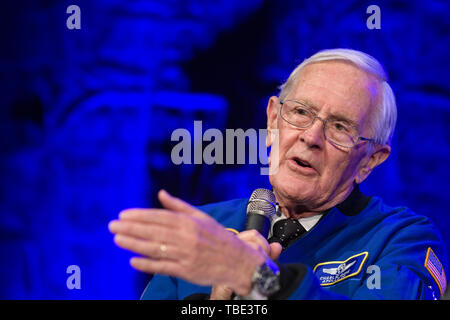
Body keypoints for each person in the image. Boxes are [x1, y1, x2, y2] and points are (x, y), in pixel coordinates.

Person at [108, 48, 448, 300]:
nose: (311, 137)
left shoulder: (402, 239)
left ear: (370, 160)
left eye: (340, 127)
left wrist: (257, 279)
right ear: (273, 122)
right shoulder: (206, 229)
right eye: (300, 112)